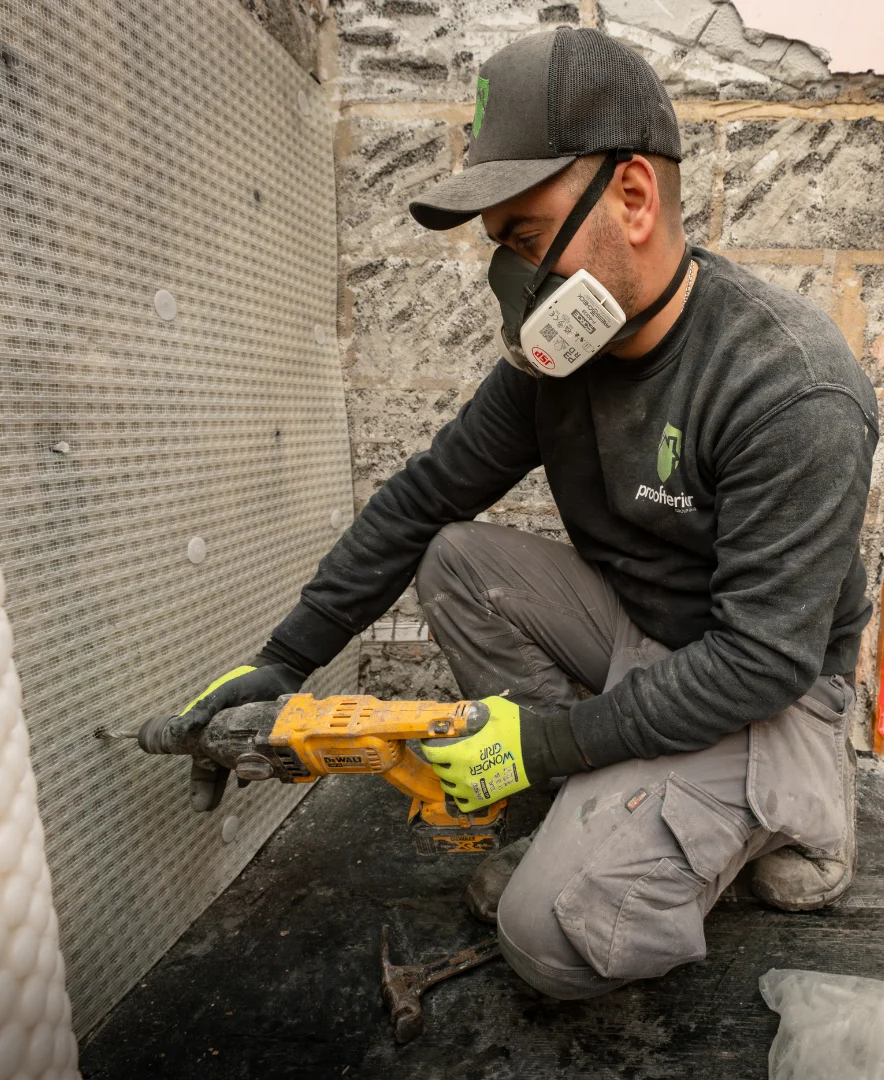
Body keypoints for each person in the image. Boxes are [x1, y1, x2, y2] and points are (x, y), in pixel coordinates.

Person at [141, 27, 879, 999]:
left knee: (545, 940)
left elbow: (759, 660)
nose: (513, 282)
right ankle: (611, 806)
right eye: (501, 250)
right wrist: (285, 660)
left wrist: (535, 746)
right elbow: (420, 502)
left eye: (527, 239)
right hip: (644, 635)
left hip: (764, 687)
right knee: (455, 558)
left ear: (633, 197)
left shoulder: (788, 386)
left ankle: (802, 802)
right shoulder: (553, 366)